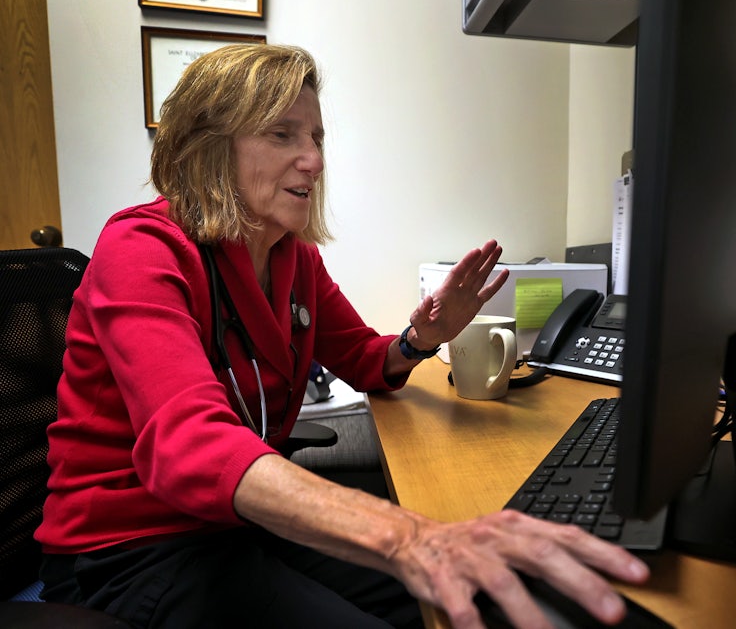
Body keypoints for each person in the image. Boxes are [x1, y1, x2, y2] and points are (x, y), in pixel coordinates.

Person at [35, 44, 649, 628]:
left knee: (467, 604)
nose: (315, 160)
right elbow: (188, 444)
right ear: (209, 148)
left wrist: (420, 336)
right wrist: (411, 537)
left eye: (317, 137)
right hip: (126, 551)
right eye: (283, 134)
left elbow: (362, 359)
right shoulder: (141, 251)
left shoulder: (291, 257)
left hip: (234, 527)